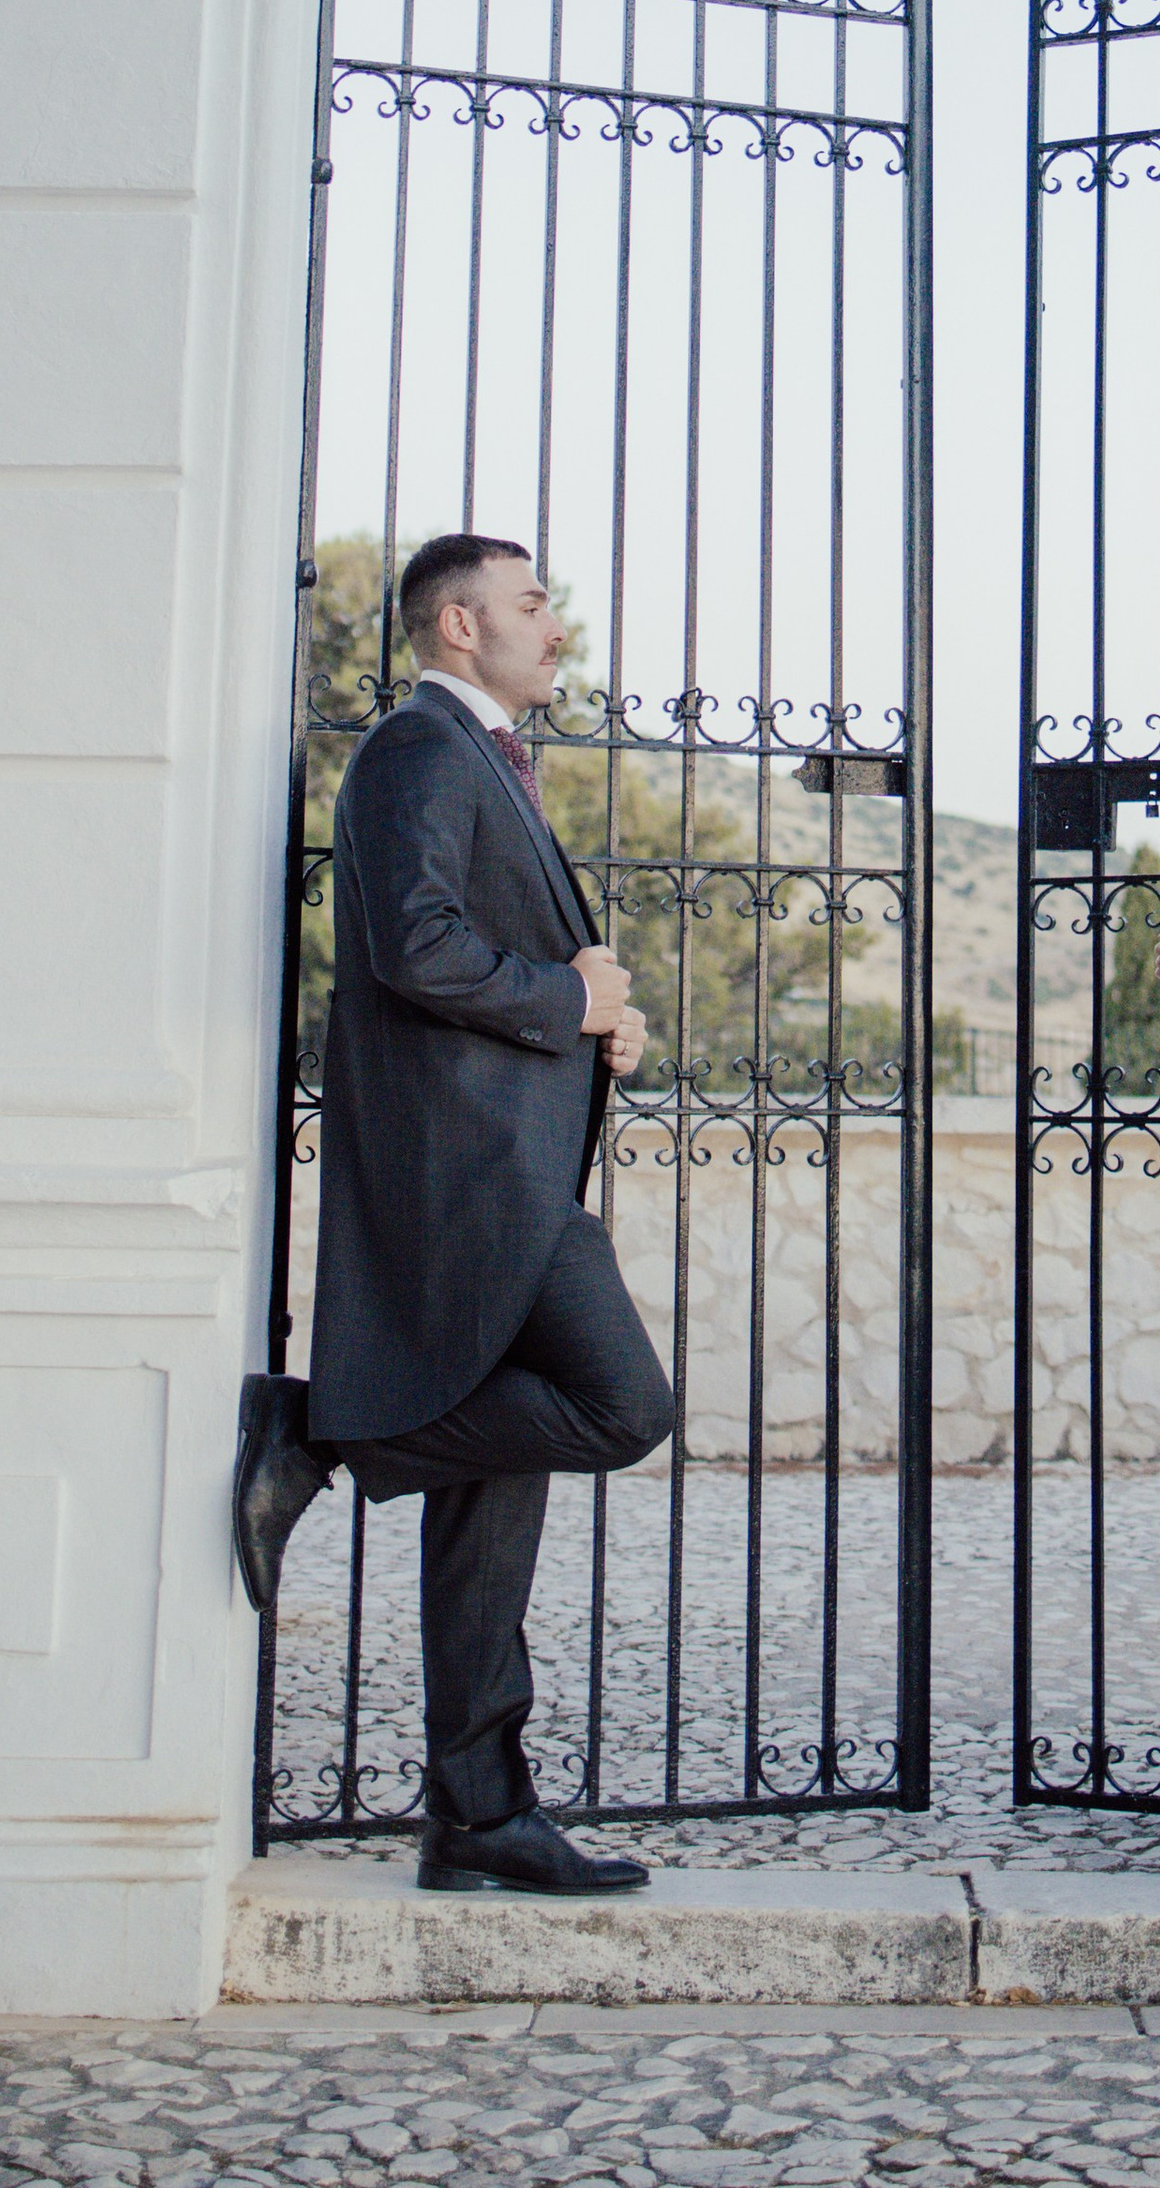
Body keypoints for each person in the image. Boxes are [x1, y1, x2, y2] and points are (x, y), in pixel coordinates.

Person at [231, 533, 674, 1894]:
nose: (557, 624)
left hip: (510, 1165)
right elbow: (414, 947)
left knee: (492, 1499)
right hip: (477, 1185)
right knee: (625, 1408)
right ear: (462, 627)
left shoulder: (483, 758)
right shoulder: (417, 749)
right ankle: (322, 1430)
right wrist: (564, 1000)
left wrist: (595, 1022)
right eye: (533, 603)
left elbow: (493, 960)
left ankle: (479, 1812)